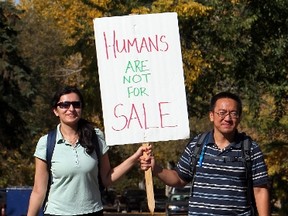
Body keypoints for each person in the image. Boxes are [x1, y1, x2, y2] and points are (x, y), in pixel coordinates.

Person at [140, 92, 270, 215]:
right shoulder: (197, 145)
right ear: (211, 116)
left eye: (233, 113)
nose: (227, 118)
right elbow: (179, 179)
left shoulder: (250, 148)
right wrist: (155, 168)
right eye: (222, 113)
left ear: (239, 117)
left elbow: (260, 190)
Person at [27, 86, 147, 216]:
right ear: (56, 111)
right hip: (56, 212)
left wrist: (135, 157)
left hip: (93, 211)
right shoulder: (46, 143)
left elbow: (107, 178)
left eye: (76, 104)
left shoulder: (96, 136)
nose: (71, 109)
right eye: (65, 105)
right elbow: (39, 191)